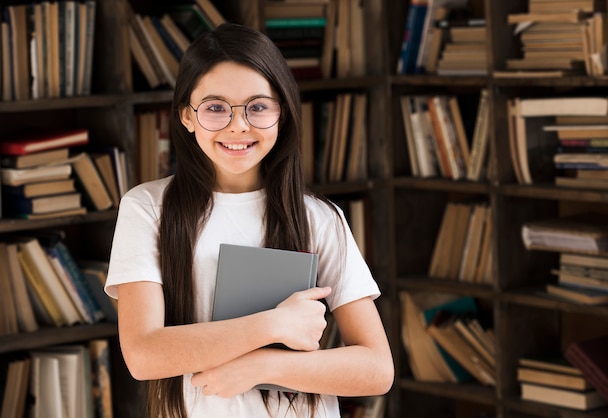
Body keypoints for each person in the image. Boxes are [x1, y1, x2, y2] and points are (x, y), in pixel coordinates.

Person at [104, 22, 394, 418]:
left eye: (257, 107)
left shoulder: (319, 218)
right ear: (187, 117)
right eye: (216, 107)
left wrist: (263, 365)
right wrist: (273, 325)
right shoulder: (148, 208)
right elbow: (143, 355)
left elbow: (377, 370)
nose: (238, 125)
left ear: (283, 113)